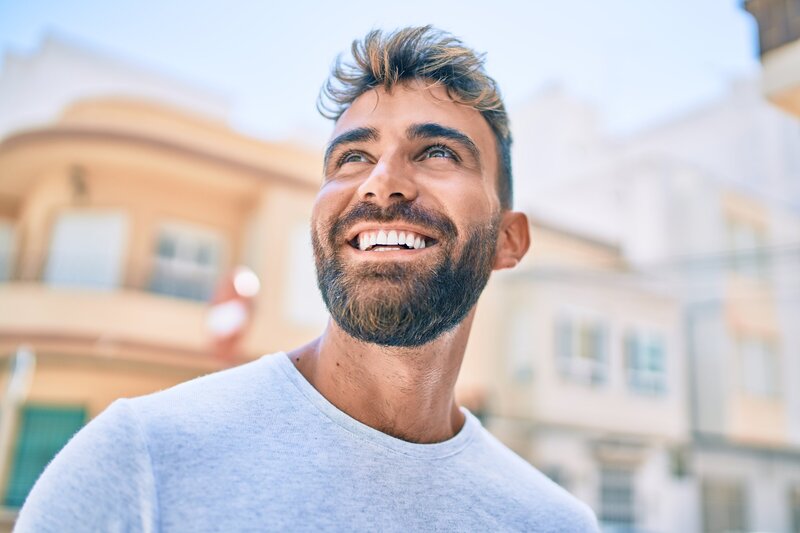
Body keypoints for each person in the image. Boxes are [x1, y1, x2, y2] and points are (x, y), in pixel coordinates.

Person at [16, 26, 599, 532]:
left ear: (507, 239)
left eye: (438, 151)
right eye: (352, 158)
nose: (382, 183)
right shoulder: (139, 461)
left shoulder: (551, 523)